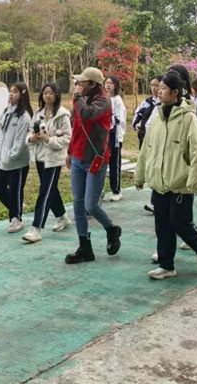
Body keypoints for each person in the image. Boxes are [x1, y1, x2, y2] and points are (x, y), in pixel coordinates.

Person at [134, 71, 197, 280]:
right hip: (159, 182)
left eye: (164, 88)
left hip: (180, 182)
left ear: (176, 92)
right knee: (162, 224)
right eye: (158, 88)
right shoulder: (157, 117)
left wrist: (195, 182)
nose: (159, 91)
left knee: (179, 222)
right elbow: (146, 149)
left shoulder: (188, 119)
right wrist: (140, 175)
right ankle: (166, 265)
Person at [64, 67, 122, 264]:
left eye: (82, 82)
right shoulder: (82, 100)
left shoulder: (103, 101)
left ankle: (111, 229)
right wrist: (70, 152)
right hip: (78, 158)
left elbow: (87, 115)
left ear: (92, 84)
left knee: (91, 205)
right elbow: (76, 127)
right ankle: (84, 247)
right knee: (78, 204)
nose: (79, 85)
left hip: (95, 159)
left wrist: (77, 97)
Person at [23, 83, 73, 242]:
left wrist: (48, 140)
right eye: (45, 93)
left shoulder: (62, 115)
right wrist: (32, 138)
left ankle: (36, 228)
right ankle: (63, 216)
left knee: (45, 191)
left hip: (54, 159)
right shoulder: (38, 113)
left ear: (57, 95)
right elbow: (30, 131)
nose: (47, 96)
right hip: (40, 157)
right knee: (51, 189)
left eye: (51, 93)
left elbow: (67, 138)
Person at [0, 82, 33, 233]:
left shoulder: (24, 116)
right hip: (1, 159)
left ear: (22, 95)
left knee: (16, 190)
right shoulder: (6, 112)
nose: (11, 94)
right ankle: (17, 207)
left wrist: (11, 156)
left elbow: (20, 141)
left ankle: (16, 219)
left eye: (15, 92)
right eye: (10, 91)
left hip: (17, 162)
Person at [104, 75, 127, 202]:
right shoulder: (104, 98)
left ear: (116, 86)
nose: (108, 85)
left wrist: (105, 118)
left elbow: (119, 119)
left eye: (111, 83)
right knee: (101, 163)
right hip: (104, 136)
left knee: (114, 164)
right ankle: (99, 190)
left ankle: (116, 190)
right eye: (106, 82)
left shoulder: (118, 100)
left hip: (115, 137)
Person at [132, 75, 162, 149]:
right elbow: (137, 116)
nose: (153, 88)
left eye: (156, 85)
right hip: (144, 138)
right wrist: (136, 125)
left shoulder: (164, 103)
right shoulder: (146, 102)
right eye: (152, 85)